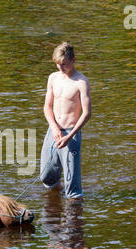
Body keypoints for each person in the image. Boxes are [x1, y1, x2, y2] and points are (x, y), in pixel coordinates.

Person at [40, 42, 91, 201]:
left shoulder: (81, 82)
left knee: (73, 188)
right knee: (46, 176)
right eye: (57, 64)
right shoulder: (53, 78)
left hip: (71, 133)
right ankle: (57, 195)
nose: (60, 68)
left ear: (73, 60)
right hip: (53, 131)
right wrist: (54, 128)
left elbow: (87, 113)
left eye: (64, 64)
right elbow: (47, 107)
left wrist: (69, 137)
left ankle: (74, 217)